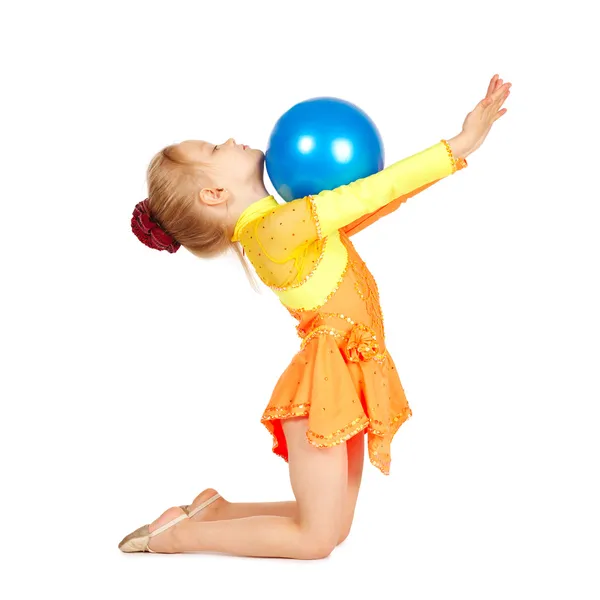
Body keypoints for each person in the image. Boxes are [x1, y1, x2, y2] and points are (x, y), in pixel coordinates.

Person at [120, 74, 511, 558]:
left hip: (344, 373)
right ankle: (177, 536)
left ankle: (213, 512)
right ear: (214, 194)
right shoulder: (273, 231)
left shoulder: (280, 224)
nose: (227, 140)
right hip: (324, 386)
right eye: (214, 148)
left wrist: (457, 158)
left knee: (331, 529)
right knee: (316, 540)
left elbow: (372, 202)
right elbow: (364, 194)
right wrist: (459, 143)